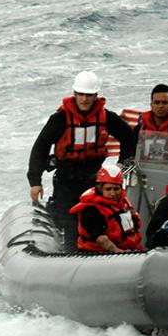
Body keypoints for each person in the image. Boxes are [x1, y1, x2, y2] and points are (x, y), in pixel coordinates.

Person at [28, 71, 136, 251]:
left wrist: (121, 164)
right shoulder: (60, 119)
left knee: (97, 217)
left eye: (89, 95)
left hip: (93, 179)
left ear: (96, 96)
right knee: (69, 221)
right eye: (81, 94)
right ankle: (71, 256)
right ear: (75, 94)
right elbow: (40, 147)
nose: (85, 99)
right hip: (66, 179)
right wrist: (35, 181)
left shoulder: (106, 117)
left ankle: (101, 252)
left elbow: (128, 136)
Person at [69, 165, 144, 253]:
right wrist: (118, 252)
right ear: (100, 189)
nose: (113, 193)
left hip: (128, 251)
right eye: (108, 189)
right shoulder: (91, 210)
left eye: (116, 189)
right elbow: (101, 239)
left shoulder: (124, 203)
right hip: (98, 254)